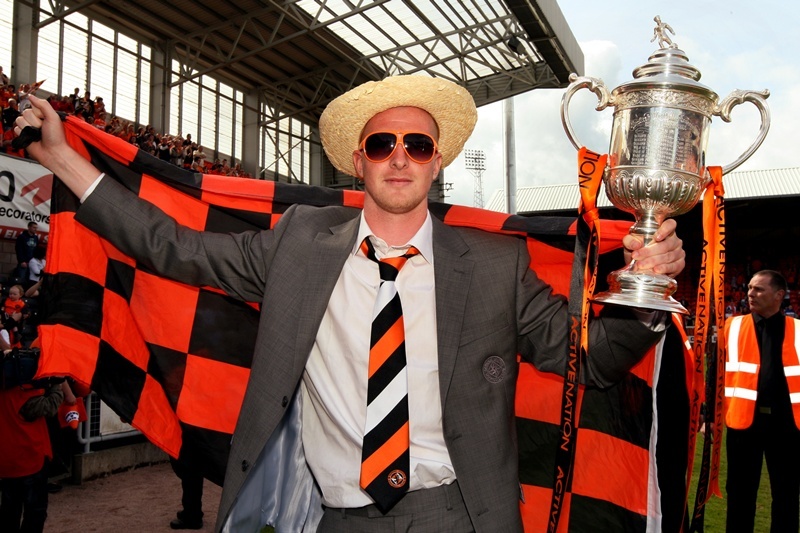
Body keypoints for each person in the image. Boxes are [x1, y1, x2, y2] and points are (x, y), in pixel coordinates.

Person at [15, 76, 685, 532]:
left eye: (417, 145)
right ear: (360, 162)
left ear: (436, 162)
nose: (400, 157)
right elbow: (173, 247)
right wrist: (65, 158)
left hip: (459, 517)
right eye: (382, 145)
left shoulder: (495, 265)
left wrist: (644, 295)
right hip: (336, 517)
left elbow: (589, 360)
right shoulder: (299, 244)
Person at [724, 270, 800, 532]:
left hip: (788, 426)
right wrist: (705, 416)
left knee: (787, 495)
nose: (750, 294)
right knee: (739, 495)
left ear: (779, 295)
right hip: (743, 424)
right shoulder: (731, 327)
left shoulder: (798, 330)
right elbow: (715, 376)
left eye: (758, 289)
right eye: (749, 288)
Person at [0, 366, 64, 533]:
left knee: (9, 512)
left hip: (6, 464)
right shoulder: (25, 397)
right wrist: (56, 384)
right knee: (35, 512)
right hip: (30, 461)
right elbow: (51, 406)